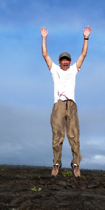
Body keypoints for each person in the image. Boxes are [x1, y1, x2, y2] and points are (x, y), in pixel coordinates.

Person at [41, 26, 91, 177]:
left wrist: (86, 38)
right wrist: (44, 37)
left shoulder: (73, 69)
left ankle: (76, 164)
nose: (65, 62)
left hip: (72, 105)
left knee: (74, 135)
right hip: (58, 105)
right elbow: (45, 54)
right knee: (57, 135)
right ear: (59, 61)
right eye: (63, 60)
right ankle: (56, 163)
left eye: (67, 60)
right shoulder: (54, 70)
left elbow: (83, 54)